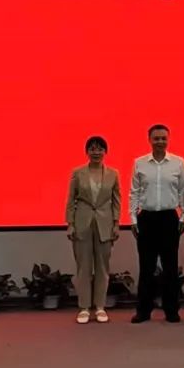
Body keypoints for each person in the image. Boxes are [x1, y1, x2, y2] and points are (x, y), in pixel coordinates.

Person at [129, 124, 184, 324]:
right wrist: (133, 219)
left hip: (169, 218)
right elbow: (134, 193)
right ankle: (143, 311)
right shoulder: (140, 163)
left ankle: (171, 310)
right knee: (146, 267)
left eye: (163, 138)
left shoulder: (178, 163)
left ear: (168, 140)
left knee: (170, 267)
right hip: (147, 219)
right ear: (149, 140)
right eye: (156, 138)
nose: (160, 141)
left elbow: (183, 192)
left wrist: (183, 217)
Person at [65, 135, 121, 325]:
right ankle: (84, 307)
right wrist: (70, 223)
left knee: (103, 268)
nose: (96, 152)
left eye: (100, 149)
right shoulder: (78, 172)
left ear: (105, 152)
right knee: (83, 267)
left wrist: (116, 223)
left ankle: (100, 307)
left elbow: (116, 200)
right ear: (87, 152)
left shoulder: (113, 174)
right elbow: (71, 199)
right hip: (82, 223)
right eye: (92, 149)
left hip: (105, 224)